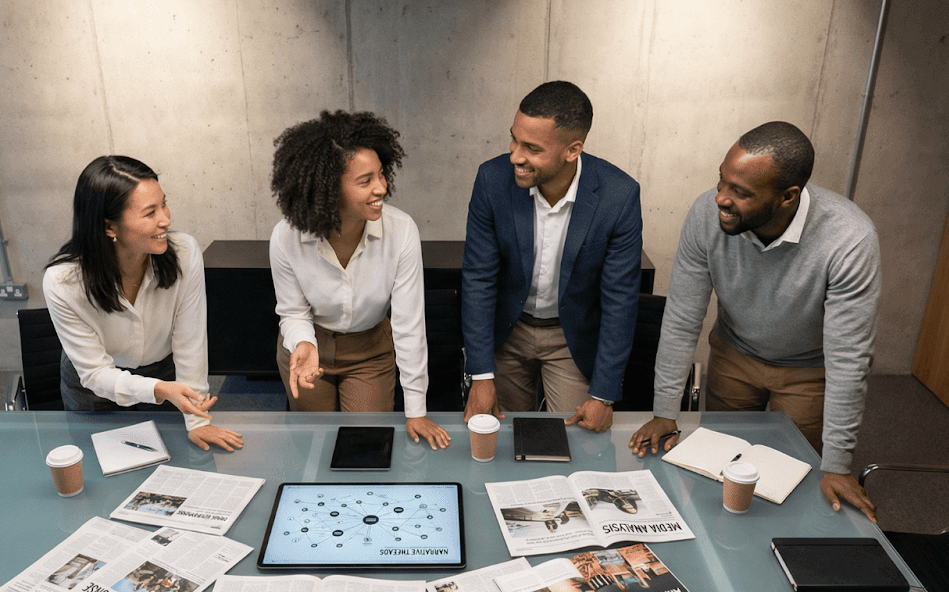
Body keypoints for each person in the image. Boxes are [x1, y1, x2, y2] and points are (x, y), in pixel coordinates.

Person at [627, 122, 881, 520]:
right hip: (734, 354)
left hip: (809, 372)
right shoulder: (705, 217)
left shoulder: (849, 238)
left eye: (741, 193)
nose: (720, 199)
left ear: (787, 197)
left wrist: (836, 465)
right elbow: (681, 318)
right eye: (721, 181)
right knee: (724, 478)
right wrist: (665, 412)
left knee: (787, 487)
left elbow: (849, 360)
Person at [461, 81, 643, 433]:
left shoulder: (618, 195)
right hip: (507, 334)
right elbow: (478, 278)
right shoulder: (491, 179)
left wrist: (604, 395)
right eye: (514, 139)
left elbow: (620, 300)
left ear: (572, 150)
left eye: (531, 148)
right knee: (502, 438)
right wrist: (481, 375)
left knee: (577, 441)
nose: (515, 155)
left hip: (571, 336)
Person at [267, 111, 450, 449]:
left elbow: (409, 325)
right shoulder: (286, 237)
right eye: (365, 181)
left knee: (366, 447)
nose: (381, 187)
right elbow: (292, 311)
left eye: (381, 175)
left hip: (370, 351)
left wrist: (416, 409)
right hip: (309, 350)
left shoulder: (402, 231)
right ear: (328, 188)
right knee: (315, 449)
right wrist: (303, 344)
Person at [43, 155, 242, 451]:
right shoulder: (64, 282)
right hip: (95, 390)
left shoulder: (184, 253)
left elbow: (190, 342)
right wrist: (158, 390)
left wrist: (199, 420)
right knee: (105, 473)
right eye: (150, 212)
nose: (166, 219)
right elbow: (96, 373)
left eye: (164, 204)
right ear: (110, 227)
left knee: (173, 464)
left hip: (164, 377)